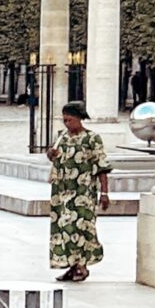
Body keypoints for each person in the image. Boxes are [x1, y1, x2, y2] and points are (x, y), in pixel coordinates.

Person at [46, 100, 109, 281]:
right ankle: (72, 265)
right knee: (64, 228)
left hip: (83, 191)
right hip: (61, 191)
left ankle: (82, 265)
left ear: (79, 119)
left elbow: (102, 166)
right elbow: (56, 158)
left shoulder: (92, 139)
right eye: (65, 120)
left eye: (70, 120)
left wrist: (104, 193)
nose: (67, 124)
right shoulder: (62, 137)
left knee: (80, 227)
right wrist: (51, 155)